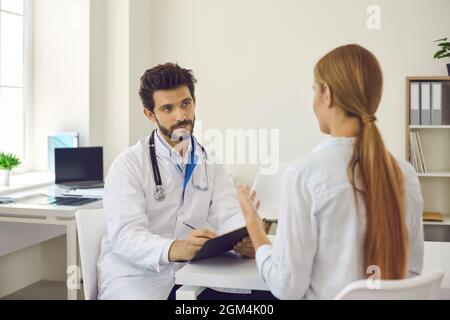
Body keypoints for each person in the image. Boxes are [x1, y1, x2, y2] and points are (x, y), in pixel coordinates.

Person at [237, 44, 424, 300]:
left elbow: (287, 287)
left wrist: (253, 225)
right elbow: (412, 274)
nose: (313, 101)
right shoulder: (406, 174)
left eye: (315, 90)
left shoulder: (304, 174)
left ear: (327, 94)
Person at [97, 63, 256, 300]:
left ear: (194, 102)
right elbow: (126, 235)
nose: (181, 116)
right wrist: (174, 248)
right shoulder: (128, 165)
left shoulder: (210, 162)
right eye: (168, 108)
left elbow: (228, 213)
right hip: (138, 278)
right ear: (150, 114)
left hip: (193, 272)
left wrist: (245, 239)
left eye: (185, 104)